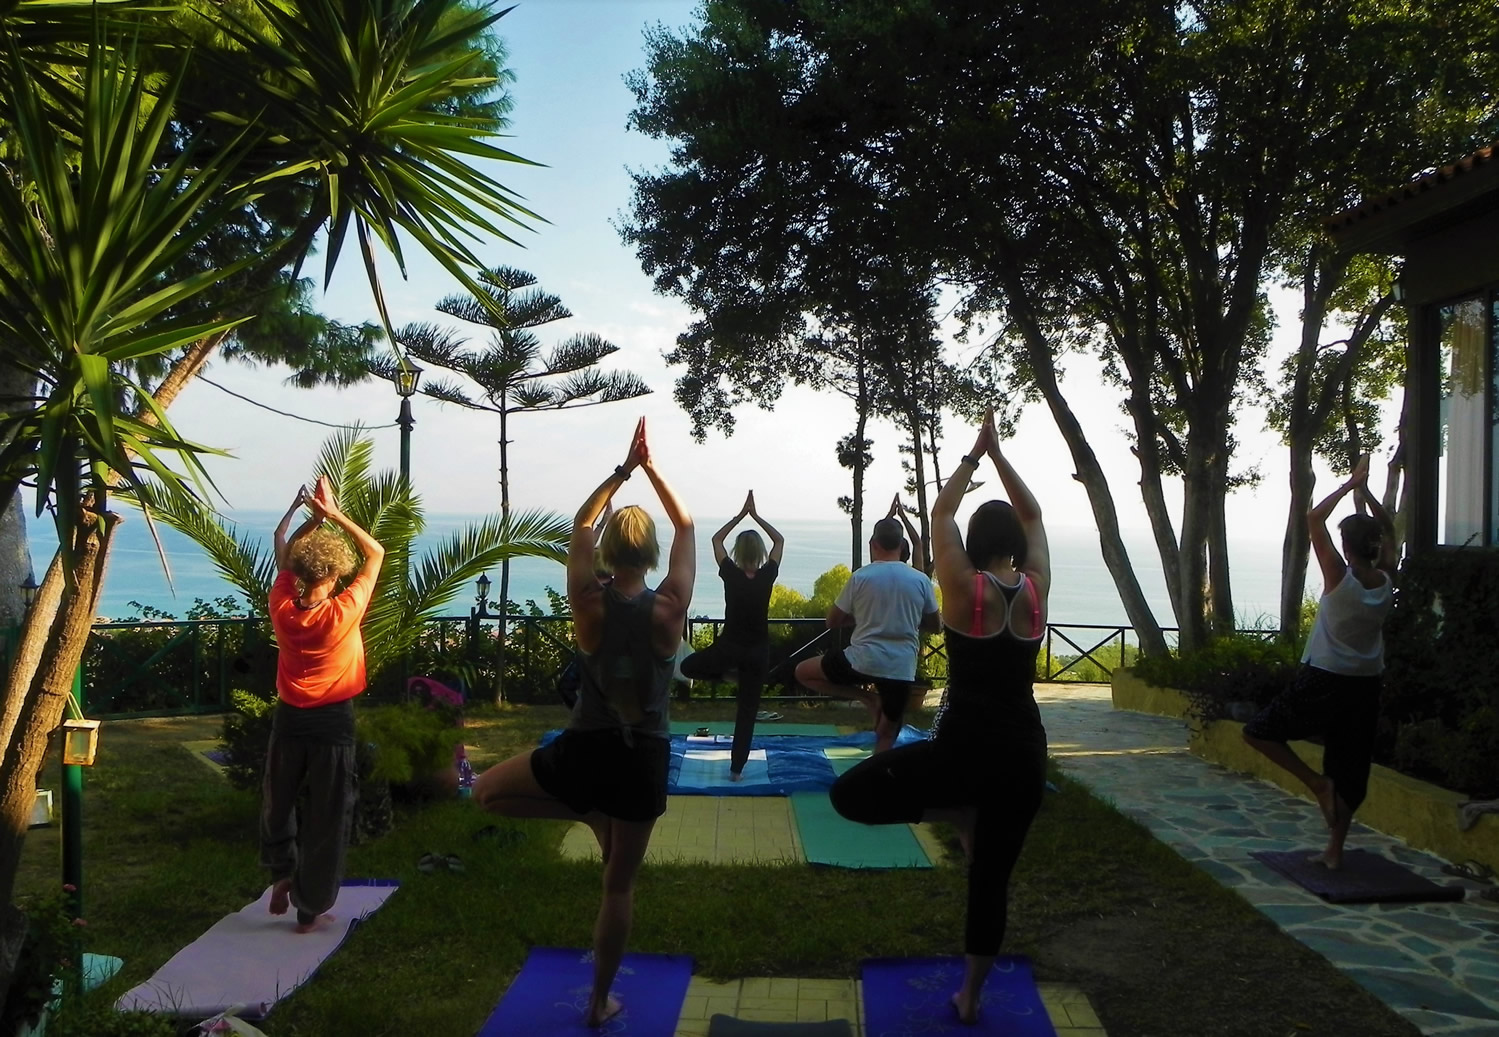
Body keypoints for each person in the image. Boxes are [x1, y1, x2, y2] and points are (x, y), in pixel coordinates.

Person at [829, 407, 1049, 1026]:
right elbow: (1032, 515)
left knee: (852, 795)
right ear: (1020, 546)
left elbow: (941, 514)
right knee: (989, 881)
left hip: (959, 753)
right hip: (1024, 757)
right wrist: (1003, 458)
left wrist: (975, 456)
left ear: (976, 547)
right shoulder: (1037, 588)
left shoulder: (961, 587)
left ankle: (954, 807)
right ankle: (971, 997)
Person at [474, 417, 693, 1028]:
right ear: (649, 555)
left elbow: (579, 525)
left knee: (487, 795)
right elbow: (686, 525)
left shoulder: (587, 601)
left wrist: (622, 471)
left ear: (608, 554)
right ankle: (600, 1003)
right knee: (618, 887)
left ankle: (583, 806)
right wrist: (651, 471)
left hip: (585, 748)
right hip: (643, 755)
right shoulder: (671, 607)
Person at [1243, 453, 1396, 870]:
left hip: (1325, 678)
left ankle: (1316, 785)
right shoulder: (1386, 579)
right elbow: (1390, 530)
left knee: (1259, 732)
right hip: (1366, 684)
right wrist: (1367, 493)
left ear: (1344, 546)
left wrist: (1350, 484)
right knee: (1349, 766)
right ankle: (1334, 851)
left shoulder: (1338, 576)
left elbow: (1313, 518)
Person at [263, 475, 385, 933]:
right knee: (327, 813)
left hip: (289, 717)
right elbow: (375, 553)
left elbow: (280, 543)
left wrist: (301, 517)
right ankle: (310, 905)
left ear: (296, 572)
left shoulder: (282, 606)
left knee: (279, 800)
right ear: (334, 576)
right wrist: (332, 515)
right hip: (332, 721)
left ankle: (281, 872)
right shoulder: (342, 610)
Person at [794, 511, 938, 753]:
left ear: (873, 544)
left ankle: (866, 698)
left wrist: (862, 617)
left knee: (803, 672)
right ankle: (876, 783)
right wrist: (907, 618)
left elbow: (832, 621)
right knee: (886, 734)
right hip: (900, 667)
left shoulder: (861, 577)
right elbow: (936, 625)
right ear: (901, 545)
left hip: (861, 661)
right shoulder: (920, 580)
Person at [679, 490, 785, 780]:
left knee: (687, 667)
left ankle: (729, 676)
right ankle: (736, 771)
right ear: (760, 553)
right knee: (747, 712)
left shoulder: (730, 572)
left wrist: (740, 516)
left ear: (738, 552)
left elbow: (716, 540)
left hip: (730, 648)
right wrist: (757, 516)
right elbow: (779, 541)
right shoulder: (767, 575)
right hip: (757, 651)